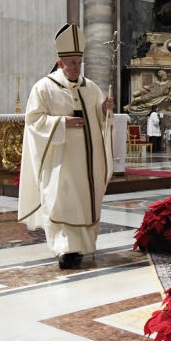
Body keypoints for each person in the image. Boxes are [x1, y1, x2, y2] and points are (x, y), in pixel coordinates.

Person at [17, 24, 115, 269]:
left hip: (88, 161)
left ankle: (84, 246)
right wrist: (62, 123)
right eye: (71, 62)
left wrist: (104, 110)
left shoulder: (90, 88)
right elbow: (33, 120)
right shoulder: (44, 87)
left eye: (79, 62)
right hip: (60, 160)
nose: (75, 67)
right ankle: (65, 250)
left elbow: (98, 120)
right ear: (59, 62)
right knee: (61, 201)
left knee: (85, 201)